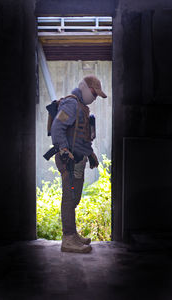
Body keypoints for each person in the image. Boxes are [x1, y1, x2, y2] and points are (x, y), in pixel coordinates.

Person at [51, 75, 107, 253]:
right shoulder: (71, 104)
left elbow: (81, 135)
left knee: (74, 197)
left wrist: (90, 154)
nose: (95, 97)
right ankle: (68, 239)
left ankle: (72, 234)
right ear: (85, 87)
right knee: (69, 197)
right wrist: (64, 150)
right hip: (68, 160)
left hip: (78, 161)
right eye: (94, 93)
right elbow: (57, 127)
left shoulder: (82, 107)